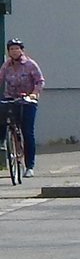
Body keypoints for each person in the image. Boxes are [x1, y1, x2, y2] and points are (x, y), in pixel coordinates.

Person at [1, 38, 44, 175]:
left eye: (16, 48)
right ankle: (5, 143)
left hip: (27, 100)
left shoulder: (30, 64)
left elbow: (40, 81)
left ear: (21, 50)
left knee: (27, 131)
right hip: (11, 98)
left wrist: (34, 94)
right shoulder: (6, 66)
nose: (14, 51)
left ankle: (29, 166)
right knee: (3, 121)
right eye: (11, 49)